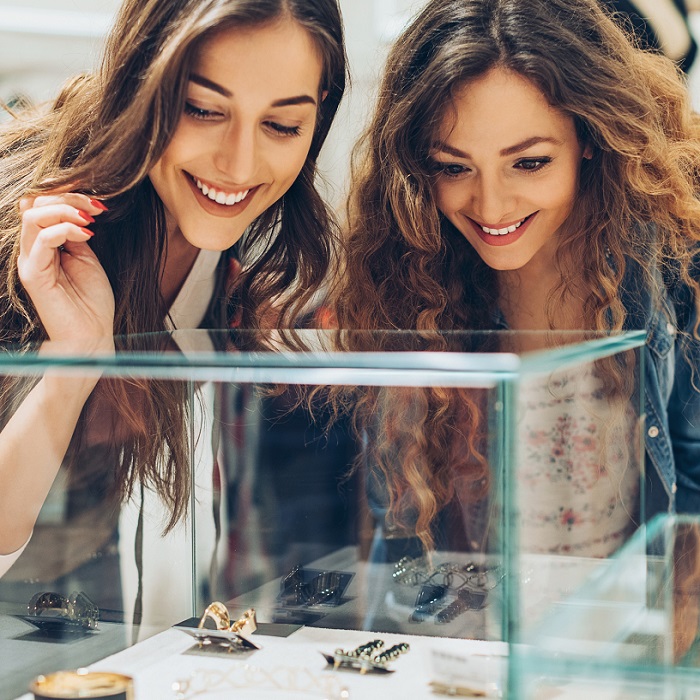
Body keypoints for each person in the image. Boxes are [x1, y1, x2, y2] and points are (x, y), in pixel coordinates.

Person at [0, 0, 347, 626]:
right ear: (142, 82)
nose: (239, 165)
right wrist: (70, 373)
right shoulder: (29, 238)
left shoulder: (245, 276)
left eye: (283, 125)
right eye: (204, 110)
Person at [332, 0, 700, 557]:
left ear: (590, 139)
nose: (492, 205)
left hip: (629, 625)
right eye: (453, 167)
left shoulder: (668, 263)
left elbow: (693, 475)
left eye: (529, 162)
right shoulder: (406, 281)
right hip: (467, 634)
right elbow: (400, 530)